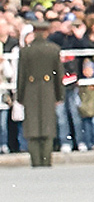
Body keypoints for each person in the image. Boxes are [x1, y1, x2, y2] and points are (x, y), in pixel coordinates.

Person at [19, 20, 59, 167]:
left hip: (30, 90)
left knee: (33, 128)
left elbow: (21, 76)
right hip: (48, 90)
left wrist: (20, 96)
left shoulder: (26, 51)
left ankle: (35, 160)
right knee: (48, 127)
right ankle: (46, 160)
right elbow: (58, 75)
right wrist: (59, 95)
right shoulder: (53, 49)